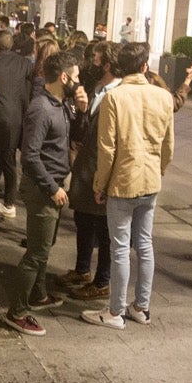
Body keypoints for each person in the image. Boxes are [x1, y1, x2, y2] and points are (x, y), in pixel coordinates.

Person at [83, 42, 174, 329]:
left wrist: (100, 184)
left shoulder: (115, 97)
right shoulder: (163, 97)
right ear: (145, 66)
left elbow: (107, 148)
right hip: (150, 180)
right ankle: (141, 307)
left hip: (123, 181)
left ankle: (115, 312)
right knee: (145, 244)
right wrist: (159, 170)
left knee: (120, 247)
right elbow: (168, 145)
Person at [4, 52, 81, 336]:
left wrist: (82, 110)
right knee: (36, 254)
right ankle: (17, 312)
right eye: (76, 76)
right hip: (42, 189)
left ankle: (38, 294)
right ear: (64, 77)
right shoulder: (41, 109)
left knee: (44, 247)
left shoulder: (61, 104)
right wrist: (53, 187)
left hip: (53, 185)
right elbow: (30, 156)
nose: (78, 81)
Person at [62, 42, 118, 301]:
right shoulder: (96, 88)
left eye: (95, 59)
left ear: (107, 64)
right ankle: (82, 269)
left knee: (104, 229)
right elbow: (81, 125)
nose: (90, 63)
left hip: (103, 168)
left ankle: (102, 281)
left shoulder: (117, 94)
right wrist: (81, 110)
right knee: (83, 219)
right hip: (85, 166)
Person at [0, 29, 34, 221]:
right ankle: (7, 201)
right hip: (17, 118)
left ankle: (0, 203)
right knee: (9, 159)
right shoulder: (24, 63)